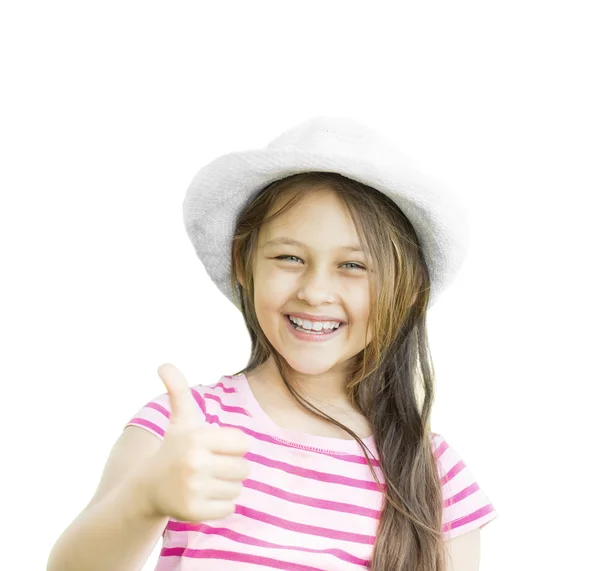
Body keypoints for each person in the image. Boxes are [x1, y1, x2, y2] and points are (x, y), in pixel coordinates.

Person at [47, 117, 497, 571]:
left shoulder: (437, 479)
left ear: (407, 289)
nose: (315, 291)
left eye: (354, 266)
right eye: (289, 257)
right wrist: (145, 499)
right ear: (243, 263)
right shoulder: (183, 429)